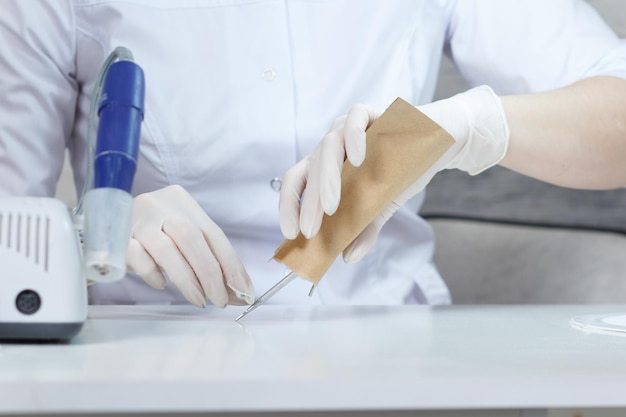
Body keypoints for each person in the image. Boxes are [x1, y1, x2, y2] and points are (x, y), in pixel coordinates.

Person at [2, 1, 626, 309]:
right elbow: (8, 222)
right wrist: (90, 234)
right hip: (146, 362)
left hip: (389, 359)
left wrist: (466, 126)